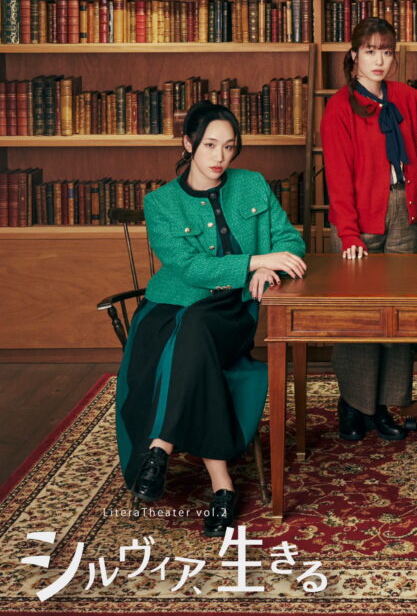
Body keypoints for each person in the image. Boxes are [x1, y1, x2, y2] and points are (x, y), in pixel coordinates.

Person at [116, 101, 307, 536]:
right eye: (209, 145)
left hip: (229, 311)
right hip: (168, 309)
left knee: (197, 329)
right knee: (191, 334)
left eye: (229, 146)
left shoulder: (252, 185)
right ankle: (223, 487)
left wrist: (268, 269)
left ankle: (160, 448)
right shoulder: (160, 203)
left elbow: (290, 243)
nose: (220, 156)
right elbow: (191, 269)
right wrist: (255, 261)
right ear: (188, 144)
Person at [320, 17, 417, 442]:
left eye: (387, 51)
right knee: (359, 315)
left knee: (396, 313)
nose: (379, 60)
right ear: (354, 56)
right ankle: (353, 404)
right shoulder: (339, 106)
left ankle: (383, 405)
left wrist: (413, 156)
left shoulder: (405, 96)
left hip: (403, 213)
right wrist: (348, 233)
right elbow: (337, 176)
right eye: (370, 51)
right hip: (358, 220)